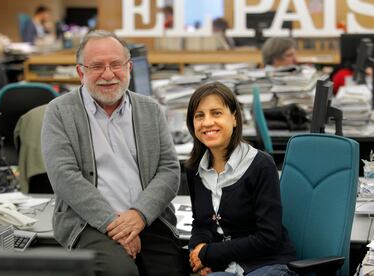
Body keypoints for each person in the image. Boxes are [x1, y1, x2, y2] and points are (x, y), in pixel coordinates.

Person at [41, 30, 188, 276]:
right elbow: (64, 176)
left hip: (148, 217)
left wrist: (139, 215)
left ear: (129, 67)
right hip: (89, 222)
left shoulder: (150, 110)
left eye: (116, 65)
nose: (108, 74)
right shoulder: (59, 112)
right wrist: (114, 224)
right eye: (97, 66)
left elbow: (169, 170)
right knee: (119, 271)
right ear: (81, 72)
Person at [185, 82, 297, 276]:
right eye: (199, 116)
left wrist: (208, 253)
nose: (207, 122)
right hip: (224, 267)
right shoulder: (195, 169)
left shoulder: (260, 165)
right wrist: (198, 253)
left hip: (267, 265)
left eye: (216, 113)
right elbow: (201, 224)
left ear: (235, 118)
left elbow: (268, 238)